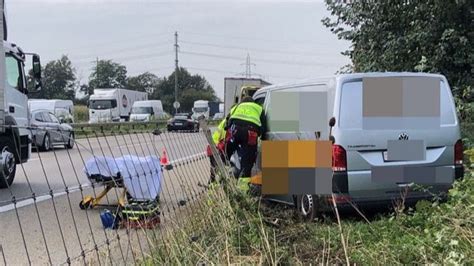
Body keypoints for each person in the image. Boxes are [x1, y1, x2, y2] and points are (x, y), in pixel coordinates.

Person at [225, 96, 266, 179]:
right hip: (250, 133)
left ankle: (226, 166)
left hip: (235, 131)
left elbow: (227, 124)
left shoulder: (237, 107)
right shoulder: (259, 108)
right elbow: (264, 127)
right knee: (247, 161)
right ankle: (244, 184)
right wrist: (260, 135)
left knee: (228, 150)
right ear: (253, 102)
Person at [206, 118, 227, 183]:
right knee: (218, 168)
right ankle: (214, 183)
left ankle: (213, 183)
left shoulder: (225, 121)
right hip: (217, 148)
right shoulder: (230, 123)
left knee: (214, 168)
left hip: (213, 146)